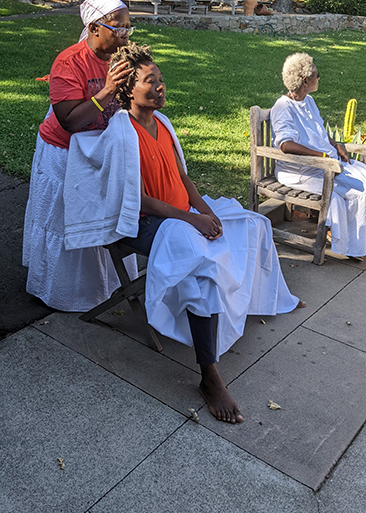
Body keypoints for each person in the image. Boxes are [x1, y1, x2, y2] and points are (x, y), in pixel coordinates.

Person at [105, 43, 305, 424]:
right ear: (129, 88)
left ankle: (270, 297)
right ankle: (209, 375)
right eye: (151, 81)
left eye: (162, 79)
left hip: (182, 212)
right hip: (149, 222)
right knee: (204, 268)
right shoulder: (121, 132)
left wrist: (205, 210)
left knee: (253, 223)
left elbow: (182, 177)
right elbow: (136, 199)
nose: (161, 86)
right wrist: (190, 219)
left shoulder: (162, 123)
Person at [23, 0, 136, 311]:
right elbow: (70, 121)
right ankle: (59, 291)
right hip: (64, 153)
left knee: (99, 218)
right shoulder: (68, 63)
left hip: (100, 149)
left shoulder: (120, 57)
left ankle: (105, 285)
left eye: (129, 27)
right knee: (65, 220)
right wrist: (108, 90)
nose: (125, 34)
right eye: (119, 27)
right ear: (93, 27)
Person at [271, 52, 366, 259]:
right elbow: (286, 145)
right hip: (301, 170)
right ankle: (354, 246)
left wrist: (336, 145)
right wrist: (322, 155)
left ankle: (358, 239)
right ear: (305, 80)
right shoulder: (282, 107)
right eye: (316, 74)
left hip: (326, 163)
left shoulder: (309, 101)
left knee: (364, 178)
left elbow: (319, 134)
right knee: (358, 193)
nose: (318, 78)